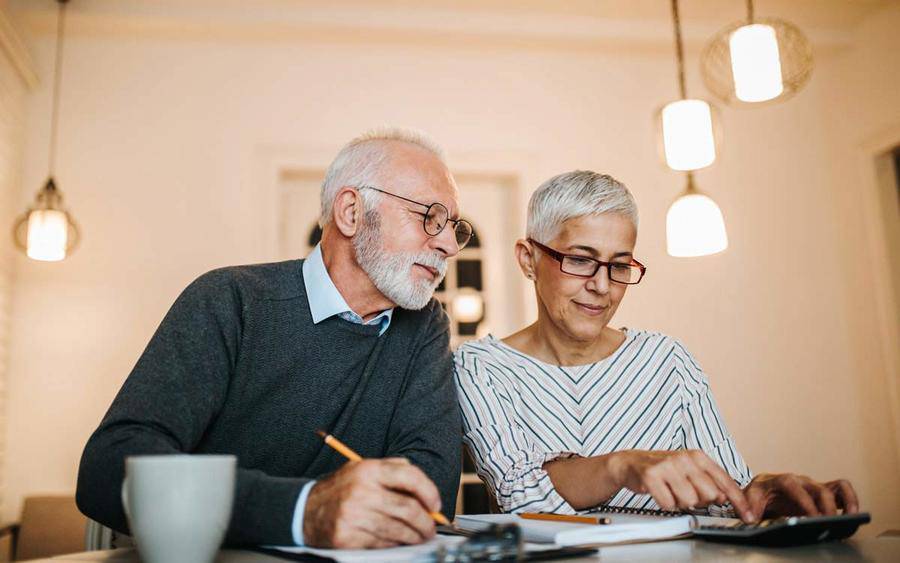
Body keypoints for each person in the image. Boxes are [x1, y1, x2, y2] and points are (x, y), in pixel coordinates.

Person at [77, 128, 473, 548]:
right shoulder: (230, 300)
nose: (448, 244)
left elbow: (428, 495)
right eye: (429, 216)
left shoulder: (424, 325)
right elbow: (108, 470)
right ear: (351, 212)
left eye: (454, 227)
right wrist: (304, 510)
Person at [454, 170, 859, 523]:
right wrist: (622, 465)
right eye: (580, 260)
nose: (602, 285)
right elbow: (522, 498)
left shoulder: (669, 361)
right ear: (528, 260)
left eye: (619, 265)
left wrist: (765, 495)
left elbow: (725, 501)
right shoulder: (480, 367)